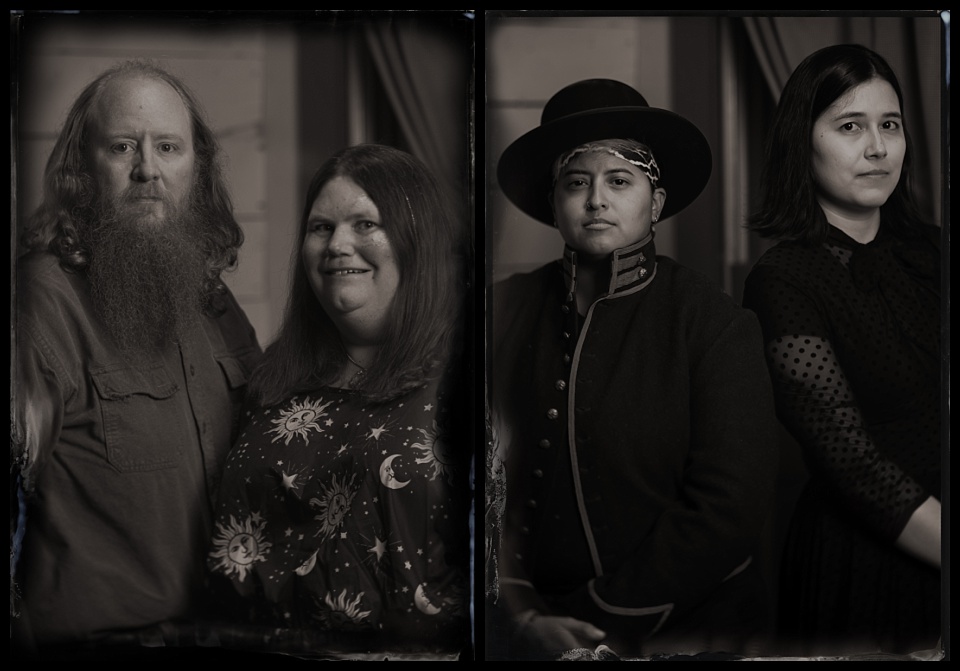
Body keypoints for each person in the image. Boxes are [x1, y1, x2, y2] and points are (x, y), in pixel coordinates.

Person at [488, 78, 780, 660]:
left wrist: (591, 620)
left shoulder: (713, 323)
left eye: (619, 181)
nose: (596, 199)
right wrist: (522, 611)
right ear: (554, 204)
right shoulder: (501, 311)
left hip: (686, 631)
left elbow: (729, 508)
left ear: (657, 202)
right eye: (577, 183)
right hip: (521, 627)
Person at [11, 60, 262, 659]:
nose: (147, 169)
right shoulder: (41, 303)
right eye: (122, 146)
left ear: (196, 167)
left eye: (168, 147)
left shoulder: (212, 298)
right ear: (82, 170)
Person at [204, 144, 473, 659]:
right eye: (321, 227)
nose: (337, 245)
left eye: (365, 224)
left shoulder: (466, 373)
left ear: (415, 240)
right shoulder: (273, 375)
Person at [742, 44, 942, 657]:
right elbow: (853, 465)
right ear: (803, 142)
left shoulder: (934, 252)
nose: (877, 148)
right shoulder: (784, 279)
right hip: (871, 563)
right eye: (850, 126)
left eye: (891, 125)